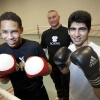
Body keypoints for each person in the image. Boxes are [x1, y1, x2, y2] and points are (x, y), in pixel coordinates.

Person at [0, 12, 52, 100]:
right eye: (5, 32)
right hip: (17, 95)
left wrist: (43, 68)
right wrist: (1, 75)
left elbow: (49, 70)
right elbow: (5, 81)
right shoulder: (1, 50)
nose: (10, 37)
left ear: (21, 30)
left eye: (14, 31)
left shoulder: (34, 46)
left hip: (39, 94)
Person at [53, 10, 100, 100]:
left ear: (89, 31)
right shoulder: (70, 48)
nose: (77, 34)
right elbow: (66, 72)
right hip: (73, 97)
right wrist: (61, 65)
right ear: (68, 31)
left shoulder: (98, 53)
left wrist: (95, 79)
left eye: (82, 29)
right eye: (73, 29)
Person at [41, 10, 72, 100]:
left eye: (54, 17)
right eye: (49, 18)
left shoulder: (67, 31)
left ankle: (66, 98)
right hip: (52, 65)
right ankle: (59, 95)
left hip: (66, 65)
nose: (52, 19)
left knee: (66, 83)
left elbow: (75, 46)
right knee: (56, 82)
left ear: (59, 17)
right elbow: (43, 49)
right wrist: (46, 63)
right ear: (48, 20)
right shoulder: (45, 34)